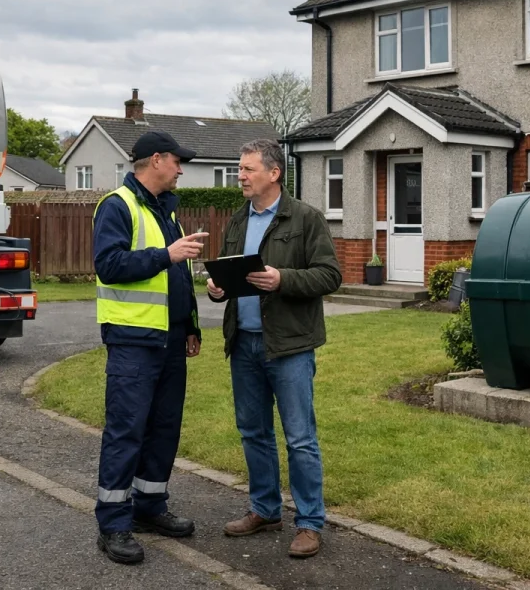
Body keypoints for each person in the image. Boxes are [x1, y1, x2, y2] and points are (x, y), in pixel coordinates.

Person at [207, 138, 342, 559]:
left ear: (274, 172)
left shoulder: (305, 218)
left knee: (300, 438)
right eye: (240, 169)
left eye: (247, 169)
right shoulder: (237, 220)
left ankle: (310, 523)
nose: (240, 176)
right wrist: (216, 289)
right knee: (253, 432)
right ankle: (265, 509)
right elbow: (228, 272)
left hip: (289, 346)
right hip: (243, 343)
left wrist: (283, 279)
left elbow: (330, 275)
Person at [92, 130, 208, 565]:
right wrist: (165, 254)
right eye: (177, 161)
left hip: (170, 338)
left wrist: (190, 324)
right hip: (133, 341)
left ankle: (149, 507)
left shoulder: (165, 209)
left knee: (164, 428)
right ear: (156, 160)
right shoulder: (117, 205)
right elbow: (109, 265)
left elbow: (178, 277)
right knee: (126, 430)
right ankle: (113, 524)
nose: (181, 170)